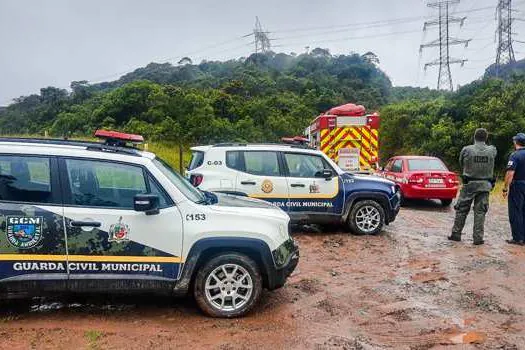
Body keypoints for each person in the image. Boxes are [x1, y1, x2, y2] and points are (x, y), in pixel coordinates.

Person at [449, 128, 497, 245]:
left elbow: (461, 162)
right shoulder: (492, 150)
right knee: (480, 212)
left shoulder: (467, 149)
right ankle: (478, 238)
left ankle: (456, 234)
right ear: (486, 138)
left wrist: (469, 170)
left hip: (469, 183)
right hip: (485, 184)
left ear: (474, 137)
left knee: (462, 209)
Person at [502, 133, 525, 245]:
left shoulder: (515, 155)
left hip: (517, 186)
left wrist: (505, 188)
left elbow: (510, 173)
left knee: (515, 211)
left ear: (516, 142)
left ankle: (517, 238)